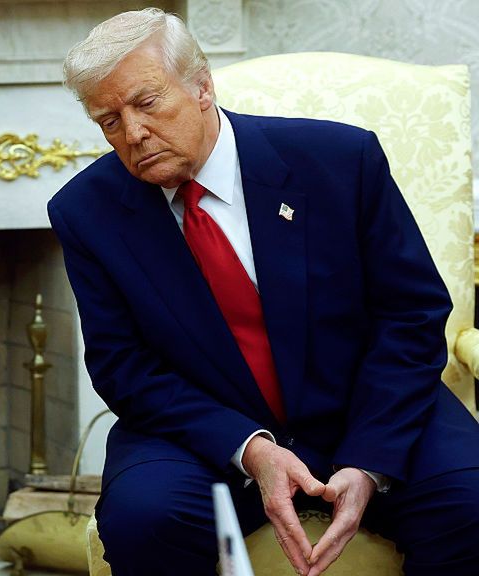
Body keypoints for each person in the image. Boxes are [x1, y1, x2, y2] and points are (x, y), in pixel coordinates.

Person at [49, 8, 479, 576]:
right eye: (109, 120)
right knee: (142, 518)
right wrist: (247, 447)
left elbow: (412, 312)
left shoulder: (340, 162)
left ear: (202, 86)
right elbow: (122, 365)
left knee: (471, 503)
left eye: (147, 103)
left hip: (365, 406)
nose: (132, 134)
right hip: (207, 430)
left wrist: (370, 459)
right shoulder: (86, 211)